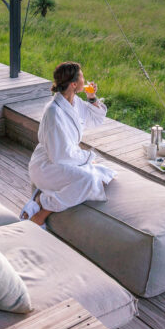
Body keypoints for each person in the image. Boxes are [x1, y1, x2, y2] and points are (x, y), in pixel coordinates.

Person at [21, 61, 114, 227]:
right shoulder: (53, 111)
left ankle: (44, 197)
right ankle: (42, 207)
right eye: (82, 77)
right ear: (73, 84)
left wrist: (92, 98)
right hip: (47, 165)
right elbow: (60, 156)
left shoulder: (75, 102)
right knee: (87, 179)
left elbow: (94, 120)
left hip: (65, 158)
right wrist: (87, 158)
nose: (85, 80)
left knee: (103, 176)